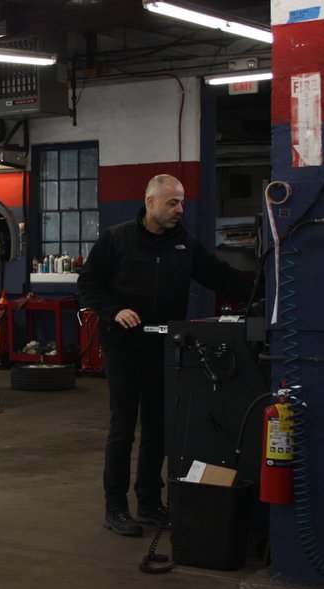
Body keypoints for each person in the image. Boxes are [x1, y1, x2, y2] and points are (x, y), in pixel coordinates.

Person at [77, 174, 254, 537]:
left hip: (164, 347)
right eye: (173, 202)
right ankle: (115, 507)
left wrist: (271, 282)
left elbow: (222, 277)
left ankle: (149, 503)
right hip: (124, 347)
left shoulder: (184, 245)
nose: (180, 209)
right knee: (123, 428)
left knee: (158, 428)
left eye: (182, 202)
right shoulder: (117, 238)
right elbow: (88, 283)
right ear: (151, 202)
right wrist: (114, 310)